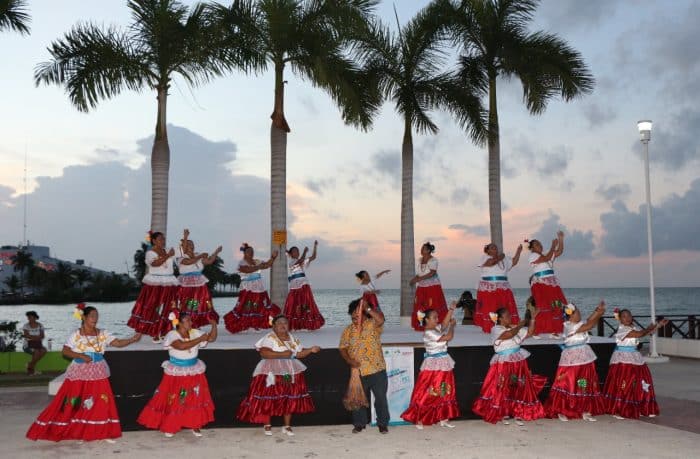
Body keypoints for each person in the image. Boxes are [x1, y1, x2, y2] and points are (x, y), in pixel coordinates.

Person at [26, 304, 141, 442]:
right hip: (80, 371)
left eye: (96, 316)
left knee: (101, 400)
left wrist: (132, 339)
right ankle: (78, 430)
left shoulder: (103, 333)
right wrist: (80, 355)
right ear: (84, 317)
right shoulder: (76, 334)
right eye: (92, 316)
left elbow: (117, 343)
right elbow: (65, 351)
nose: (95, 318)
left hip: (98, 371)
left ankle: (101, 431)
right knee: (76, 400)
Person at [237, 315, 320, 436]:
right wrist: (283, 354)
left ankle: (287, 426)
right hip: (271, 371)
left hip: (287, 372)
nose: (283, 325)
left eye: (285, 323)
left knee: (288, 395)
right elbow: (264, 353)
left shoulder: (292, 338)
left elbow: (298, 354)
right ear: (274, 326)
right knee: (268, 396)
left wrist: (311, 350)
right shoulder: (270, 337)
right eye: (280, 323)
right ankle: (267, 424)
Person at [137, 311, 217, 437]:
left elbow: (211, 338)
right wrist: (200, 339)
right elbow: (181, 346)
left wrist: (214, 325)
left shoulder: (194, 332)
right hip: (178, 373)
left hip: (194, 371)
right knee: (179, 398)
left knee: (194, 397)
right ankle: (171, 425)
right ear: (179, 322)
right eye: (187, 320)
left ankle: (194, 424)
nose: (191, 322)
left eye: (190, 320)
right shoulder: (172, 334)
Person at [472, 306, 546, 425]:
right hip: (504, 363)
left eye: (509, 315)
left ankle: (518, 412)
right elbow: (509, 334)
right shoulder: (496, 329)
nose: (510, 317)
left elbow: (530, 332)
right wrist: (519, 325)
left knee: (518, 386)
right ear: (500, 318)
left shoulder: (513, 327)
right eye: (507, 316)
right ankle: (503, 413)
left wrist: (532, 319)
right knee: (503, 387)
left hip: (517, 361)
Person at [401, 302, 460, 429]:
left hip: (443, 363)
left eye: (437, 317)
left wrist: (451, 309)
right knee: (428, 391)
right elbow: (448, 336)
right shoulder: (429, 332)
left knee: (444, 389)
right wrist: (452, 325)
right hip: (433, 365)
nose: (437, 319)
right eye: (434, 317)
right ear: (427, 319)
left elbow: (443, 324)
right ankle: (419, 418)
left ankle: (444, 417)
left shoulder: (435, 329)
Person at [544, 302, 606, 422]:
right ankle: (561, 409)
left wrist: (597, 310)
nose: (579, 313)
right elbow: (589, 325)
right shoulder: (570, 326)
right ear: (571, 315)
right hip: (572, 359)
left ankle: (584, 409)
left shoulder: (577, 324)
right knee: (567, 382)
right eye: (577, 312)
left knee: (583, 382)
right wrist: (599, 314)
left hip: (584, 357)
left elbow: (589, 320)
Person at [603, 309, 667, 419]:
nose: (627, 318)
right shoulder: (622, 330)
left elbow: (646, 332)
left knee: (642, 380)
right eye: (624, 316)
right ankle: (619, 409)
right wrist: (651, 327)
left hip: (635, 356)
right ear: (620, 319)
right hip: (623, 358)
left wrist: (658, 325)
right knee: (625, 383)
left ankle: (641, 407)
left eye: (629, 315)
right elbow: (640, 334)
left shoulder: (633, 327)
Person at [339, 298, 389, 434]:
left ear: (364, 313)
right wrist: (349, 360)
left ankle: (382, 423)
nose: (355, 316)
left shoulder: (373, 324)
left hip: (377, 369)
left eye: (358, 313)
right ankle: (359, 424)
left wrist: (367, 308)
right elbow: (342, 348)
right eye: (353, 314)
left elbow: (381, 320)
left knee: (381, 398)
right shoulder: (348, 330)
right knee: (357, 399)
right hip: (357, 371)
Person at [127, 231, 179, 341]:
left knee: (168, 307)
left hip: (169, 281)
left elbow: (181, 252)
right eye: (160, 239)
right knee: (154, 306)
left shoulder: (167, 250)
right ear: (154, 241)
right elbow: (155, 264)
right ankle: (151, 331)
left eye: (163, 239)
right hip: (155, 283)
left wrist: (185, 237)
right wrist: (168, 255)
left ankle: (164, 330)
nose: (163, 241)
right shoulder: (150, 253)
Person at [224, 243, 280, 333]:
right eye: (249, 251)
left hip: (259, 287)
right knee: (246, 306)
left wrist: (273, 257)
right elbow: (247, 270)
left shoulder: (257, 261)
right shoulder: (242, 262)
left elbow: (267, 265)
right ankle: (244, 325)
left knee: (258, 305)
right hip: (248, 288)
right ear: (244, 253)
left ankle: (256, 324)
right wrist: (258, 267)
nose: (251, 253)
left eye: (252, 251)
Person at [176, 229, 222, 328]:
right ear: (184, 247)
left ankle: (196, 322)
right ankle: (185, 323)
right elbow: (189, 262)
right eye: (189, 244)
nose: (192, 246)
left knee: (200, 303)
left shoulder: (197, 255)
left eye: (192, 244)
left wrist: (216, 252)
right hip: (187, 286)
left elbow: (209, 261)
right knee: (188, 304)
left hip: (199, 284)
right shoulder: (180, 257)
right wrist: (200, 255)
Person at [474, 243, 523, 333]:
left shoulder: (504, 258)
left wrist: (518, 251)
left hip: (503, 286)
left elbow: (514, 262)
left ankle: (505, 325)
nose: (495, 249)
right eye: (492, 248)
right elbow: (491, 263)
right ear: (487, 250)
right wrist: (501, 256)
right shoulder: (484, 257)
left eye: (496, 247)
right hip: (489, 288)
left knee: (504, 306)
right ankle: (491, 326)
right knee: (491, 307)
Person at [526, 231, 567, 336]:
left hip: (552, 282)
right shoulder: (533, 256)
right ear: (532, 248)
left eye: (540, 244)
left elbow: (559, 252)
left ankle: (555, 329)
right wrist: (553, 246)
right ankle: (540, 328)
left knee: (556, 304)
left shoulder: (547, 254)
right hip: (541, 283)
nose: (540, 245)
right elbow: (546, 258)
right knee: (543, 305)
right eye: (537, 244)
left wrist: (561, 239)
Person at [283, 241, 325, 330]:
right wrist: (305, 252)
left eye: (297, 251)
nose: (297, 252)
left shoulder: (301, 261)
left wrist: (315, 246)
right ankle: (296, 325)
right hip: (295, 286)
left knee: (306, 303)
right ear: (291, 254)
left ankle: (306, 324)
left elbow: (313, 257)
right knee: (294, 304)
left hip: (304, 284)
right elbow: (300, 261)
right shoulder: (291, 262)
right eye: (294, 251)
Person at [409, 242, 448, 331]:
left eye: (423, 248)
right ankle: (422, 324)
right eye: (421, 248)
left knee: (432, 304)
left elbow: (432, 273)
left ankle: (435, 324)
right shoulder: (420, 260)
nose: (421, 250)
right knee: (419, 304)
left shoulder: (433, 260)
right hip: (421, 286)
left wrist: (419, 279)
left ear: (428, 250)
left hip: (432, 286)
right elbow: (419, 273)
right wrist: (414, 279)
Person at [22, 311, 47, 375]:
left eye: (30, 317)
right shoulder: (26, 326)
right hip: (27, 345)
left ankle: (30, 365)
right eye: (28, 317)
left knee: (44, 350)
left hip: (38, 344)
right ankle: (31, 370)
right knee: (36, 351)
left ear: (35, 318)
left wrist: (32, 337)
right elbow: (26, 335)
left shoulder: (40, 325)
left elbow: (42, 336)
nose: (28, 318)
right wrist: (36, 337)